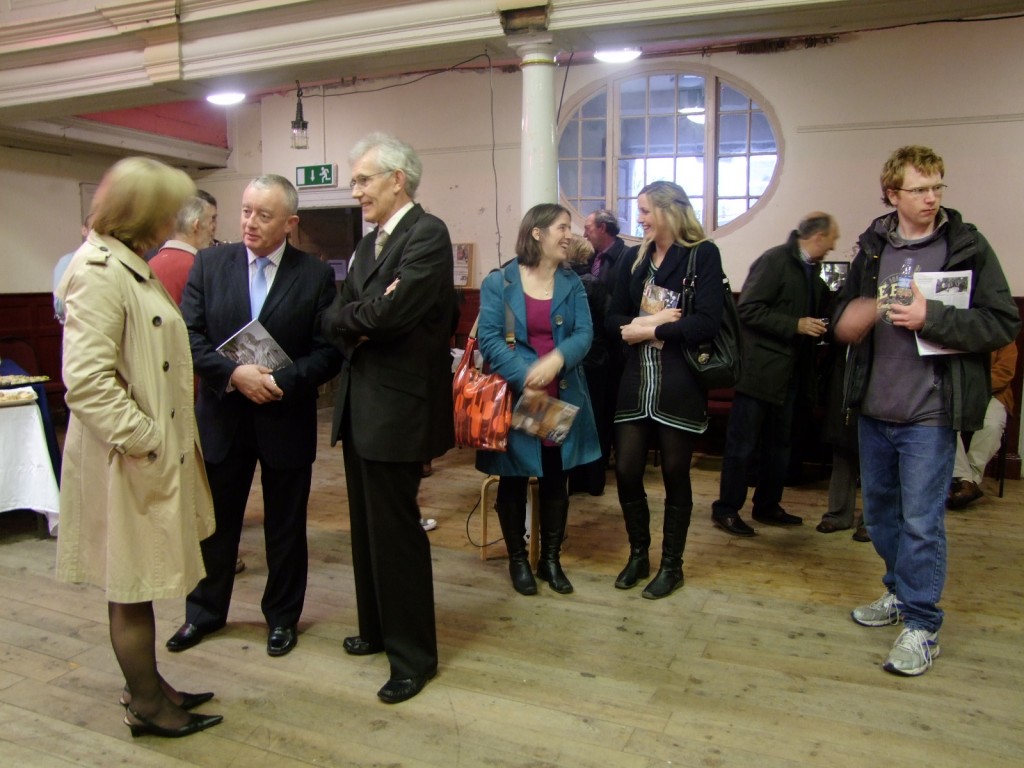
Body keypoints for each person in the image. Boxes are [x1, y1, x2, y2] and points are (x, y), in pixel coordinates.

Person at [835, 145, 1019, 676]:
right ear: (892, 193)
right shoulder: (872, 247)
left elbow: (1002, 322)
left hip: (931, 411)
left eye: (938, 186)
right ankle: (898, 590)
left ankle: (921, 624)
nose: (932, 197)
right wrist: (852, 317)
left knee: (921, 522)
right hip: (875, 407)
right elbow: (845, 315)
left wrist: (932, 318)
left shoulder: (966, 245)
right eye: (919, 188)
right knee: (882, 518)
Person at [54, 157, 222, 738]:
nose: (176, 220)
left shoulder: (129, 266)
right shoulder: (99, 270)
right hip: (124, 459)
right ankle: (147, 705)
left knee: (142, 583)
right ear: (142, 212)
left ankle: (151, 686)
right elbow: (87, 383)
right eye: (166, 209)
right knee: (130, 586)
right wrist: (147, 439)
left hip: (140, 456)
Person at [167, 174, 342, 658]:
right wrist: (234, 374)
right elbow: (189, 335)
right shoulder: (210, 263)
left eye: (263, 215)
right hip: (223, 416)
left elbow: (328, 352)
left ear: (290, 223)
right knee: (215, 524)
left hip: (284, 417)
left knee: (285, 527)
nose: (249, 222)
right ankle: (203, 613)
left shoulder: (314, 275)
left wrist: (277, 382)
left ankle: (282, 617)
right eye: (245, 210)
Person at [322, 132, 455, 704]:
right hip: (361, 404)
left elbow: (395, 312)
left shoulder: (427, 233)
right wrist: (361, 317)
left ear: (397, 179)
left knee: (396, 533)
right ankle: (376, 628)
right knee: (367, 528)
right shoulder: (370, 243)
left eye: (363, 180)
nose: (355, 191)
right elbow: (341, 314)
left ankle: (413, 656)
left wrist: (362, 315)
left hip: (398, 408)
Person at [605, 181, 724, 599]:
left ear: (670, 212)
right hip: (637, 381)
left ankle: (672, 564)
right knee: (626, 469)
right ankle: (639, 554)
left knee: (675, 472)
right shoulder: (633, 260)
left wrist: (654, 329)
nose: (639, 219)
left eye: (645, 211)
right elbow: (612, 316)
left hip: (679, 382)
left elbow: (708, 322)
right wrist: (639, 329)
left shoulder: (702, 254)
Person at [476, 204, 600, 598]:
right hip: (518, 398)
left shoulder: (572, 282)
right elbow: (490, 339)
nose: (569, 234)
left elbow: (584, 333)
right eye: (562, 227)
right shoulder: (500, 282)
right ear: (537, 233)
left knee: (555, 480)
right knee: (512, 480)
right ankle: (517, 559)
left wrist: (557, 361)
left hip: (558, 396)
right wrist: (524, 376)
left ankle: (550, 560)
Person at [710, 213, 838, 536]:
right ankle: (726, 509)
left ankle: (767, 506)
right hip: (760, 373)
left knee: (779, 446)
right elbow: (748, 309)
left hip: (790, 376)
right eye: (832, 239)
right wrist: (795, 325)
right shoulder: (775, 261)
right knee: (743, 446)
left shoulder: (810, 269)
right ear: (818, 237)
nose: (834, 246)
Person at [565, 235, 611, 496]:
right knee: (595, 423)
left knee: (569, 421)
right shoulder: (595, 284)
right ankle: (593, 482)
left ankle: (571, 479)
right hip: (596, 361)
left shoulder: (563, 284)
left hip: (571, 361)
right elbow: (606, 322)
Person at [947, 340, 1017, 509]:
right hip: (960, 394)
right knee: (944, 426)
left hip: (994, 394)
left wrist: (977, 387)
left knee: (992, 426)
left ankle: (967, 481)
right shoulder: (957, 336)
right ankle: (967, 481)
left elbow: (1005, 373)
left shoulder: (1005, 340)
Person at [149, 192, 218, 304]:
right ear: (197, 225)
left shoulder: (149, 266)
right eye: (212, 220)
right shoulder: (198, 270)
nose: (214, 228)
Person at [52, 214, 92, 324]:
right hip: (77, 329)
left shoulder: (113, 262)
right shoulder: (68, 261)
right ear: (84, 230)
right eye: (94, 229)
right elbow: (59, 306)